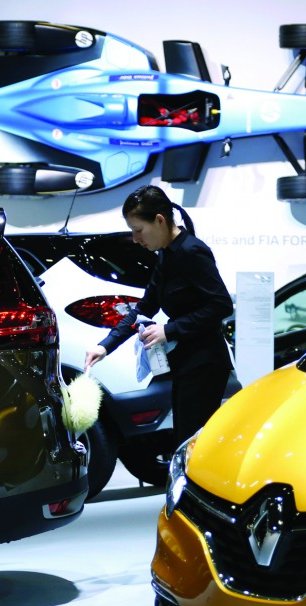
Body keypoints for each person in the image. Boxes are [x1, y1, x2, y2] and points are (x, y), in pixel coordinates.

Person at [84, 184, 235, 446]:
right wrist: (105, 345)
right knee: (187, 441)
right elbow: (144, 308)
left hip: (206, 363)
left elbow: (221, 304)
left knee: (193, 442)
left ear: (160, 220)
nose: (135, 239)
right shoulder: (166, 255)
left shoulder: (191, 251)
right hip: (185, 362)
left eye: (138, 230)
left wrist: (170, 329)